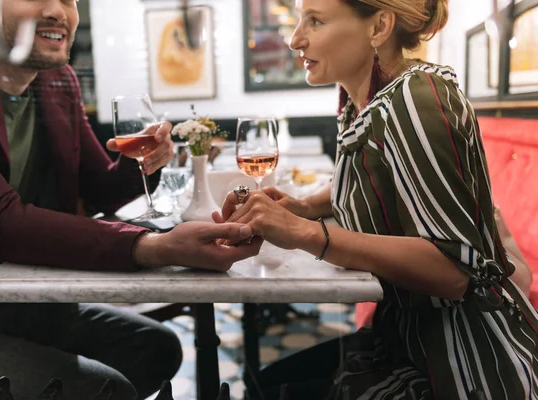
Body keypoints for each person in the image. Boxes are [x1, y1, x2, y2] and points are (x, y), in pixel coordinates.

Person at [0, 0, 262, 399]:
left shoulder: (57, 80)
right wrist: (153, 247)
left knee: (154, 350)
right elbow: (1, 220)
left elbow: (101, 188)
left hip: (29, 305)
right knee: (109, 389)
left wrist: (145, 163)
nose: (60, 12)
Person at [215, 0, 538, 398]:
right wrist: (305, 206)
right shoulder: (362, 102)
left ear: (379, 27)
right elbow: (374, 178)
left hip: (465, 361)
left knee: (263, 389)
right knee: (260, 382)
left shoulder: (417, 100)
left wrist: (304, 232)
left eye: (315, 21)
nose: (295, 39)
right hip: (403, 337)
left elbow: (453, 272)